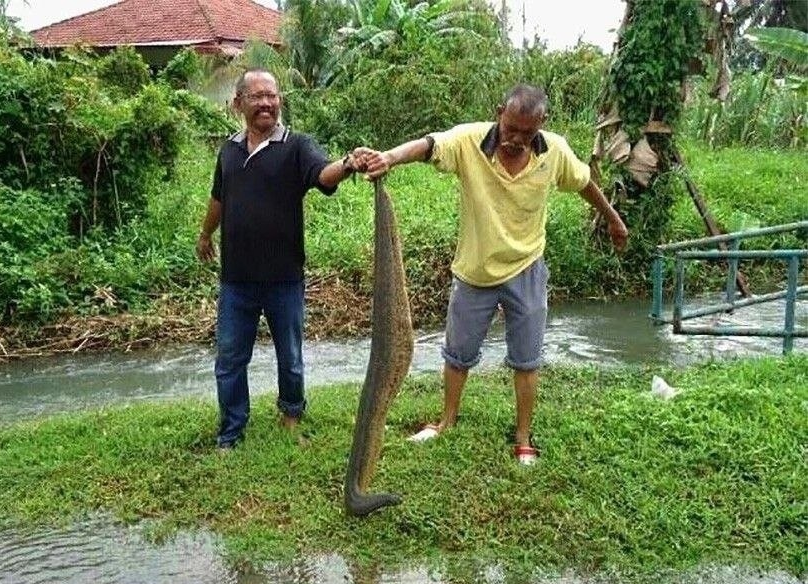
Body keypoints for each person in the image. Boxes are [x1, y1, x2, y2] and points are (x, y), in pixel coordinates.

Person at [359, 84, 628, 465]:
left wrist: (614, 220)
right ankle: (447, 420)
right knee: (457, 354)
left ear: (542, 124)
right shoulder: (470, 140)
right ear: (499, 111)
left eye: (527, 132)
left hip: (527, 268)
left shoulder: (554, 151)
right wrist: (388, 157)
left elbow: (585, 184)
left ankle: (522, 437)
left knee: (527, 359)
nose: (516, 139)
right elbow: (428, 145)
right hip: (474, 271)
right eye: (511, 128)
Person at [196, 68, 365, 449]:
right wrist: (206, 234)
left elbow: (324, 174)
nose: (266, 103)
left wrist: (349, 163)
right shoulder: (229, 149)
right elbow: (219, 197)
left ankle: (291, 416)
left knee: (290, 357)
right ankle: (231, 431)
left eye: (271, 96)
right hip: (236, 281)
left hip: (284, 279)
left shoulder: (297, 146)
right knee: (229, 360)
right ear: (238, 103)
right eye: (256, 97)